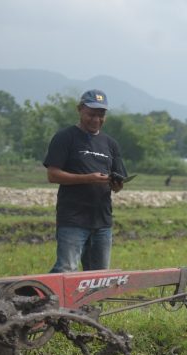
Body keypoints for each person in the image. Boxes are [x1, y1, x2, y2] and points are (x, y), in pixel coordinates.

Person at [44, 89, 127, 273]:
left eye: (101, 115)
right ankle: (46, 300)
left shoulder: (110, 144)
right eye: (91, 114)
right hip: (73, 218)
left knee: (98, 275)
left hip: (102, 220)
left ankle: (91, 304)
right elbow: (53, 175)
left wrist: (116, 185)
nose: (96, 119)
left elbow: (118, 183)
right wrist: (87, 179)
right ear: (80, 109)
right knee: (67, 269)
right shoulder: (65, 137)